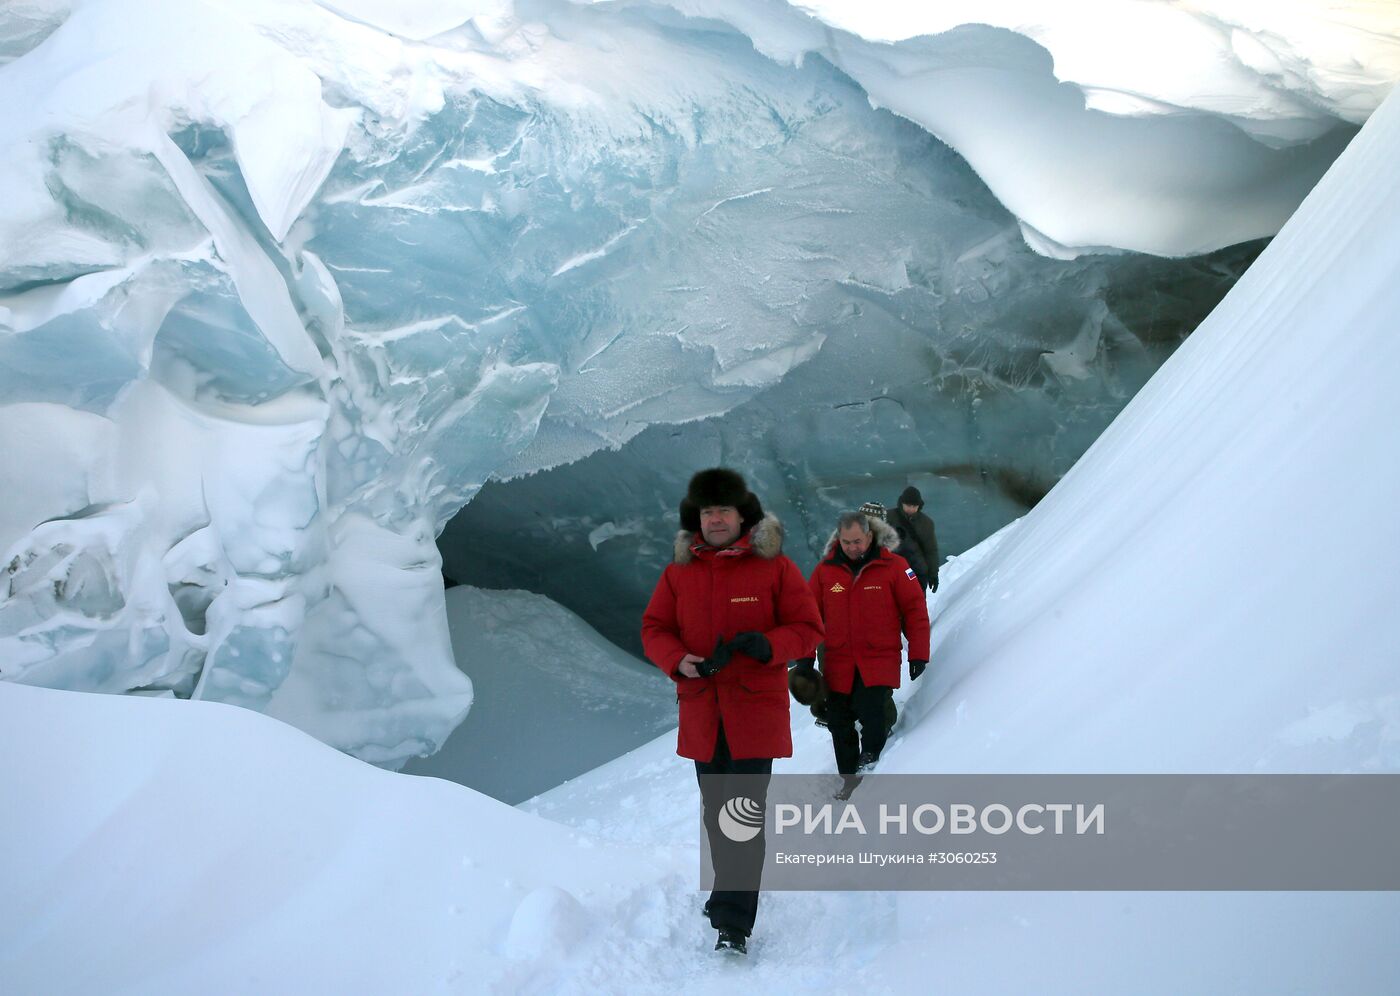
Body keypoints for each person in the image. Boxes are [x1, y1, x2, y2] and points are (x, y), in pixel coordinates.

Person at [641, 468, 823, 955]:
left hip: (753, 715)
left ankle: (733, 923)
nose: (715, 519)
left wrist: (767, 644)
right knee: (716, 813)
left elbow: (809, 627)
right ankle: (728, 892)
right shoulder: (679, 574)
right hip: (703, 712)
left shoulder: (775, 569)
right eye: (707, 511)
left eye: (723, 510)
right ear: (696, 519)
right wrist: (677, 660)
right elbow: (654, 627)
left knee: (742, 815)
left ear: (743, 516)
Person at [795, 509, 930, 794]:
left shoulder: (894, 567)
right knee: (839, 723)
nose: (852, 547)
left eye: (857, 541)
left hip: (878, 658)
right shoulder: (825, 572)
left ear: (869, 536)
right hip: (838, 662)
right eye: (846, 542)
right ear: (838, 540)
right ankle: (850, 780)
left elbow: (915, 611)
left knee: (872, 713)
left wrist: (919, 652)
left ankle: (870, 765)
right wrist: (805, 660)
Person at [886, 485, 940, 592]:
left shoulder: (926, 523)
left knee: (916, 603)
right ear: (902, 503)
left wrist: (933, 574)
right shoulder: (889, 517)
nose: (911, 509)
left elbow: (931, 550)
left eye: (914, 506)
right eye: (908, 505)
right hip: (893, 571)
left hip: (917, 572)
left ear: (919, 506)